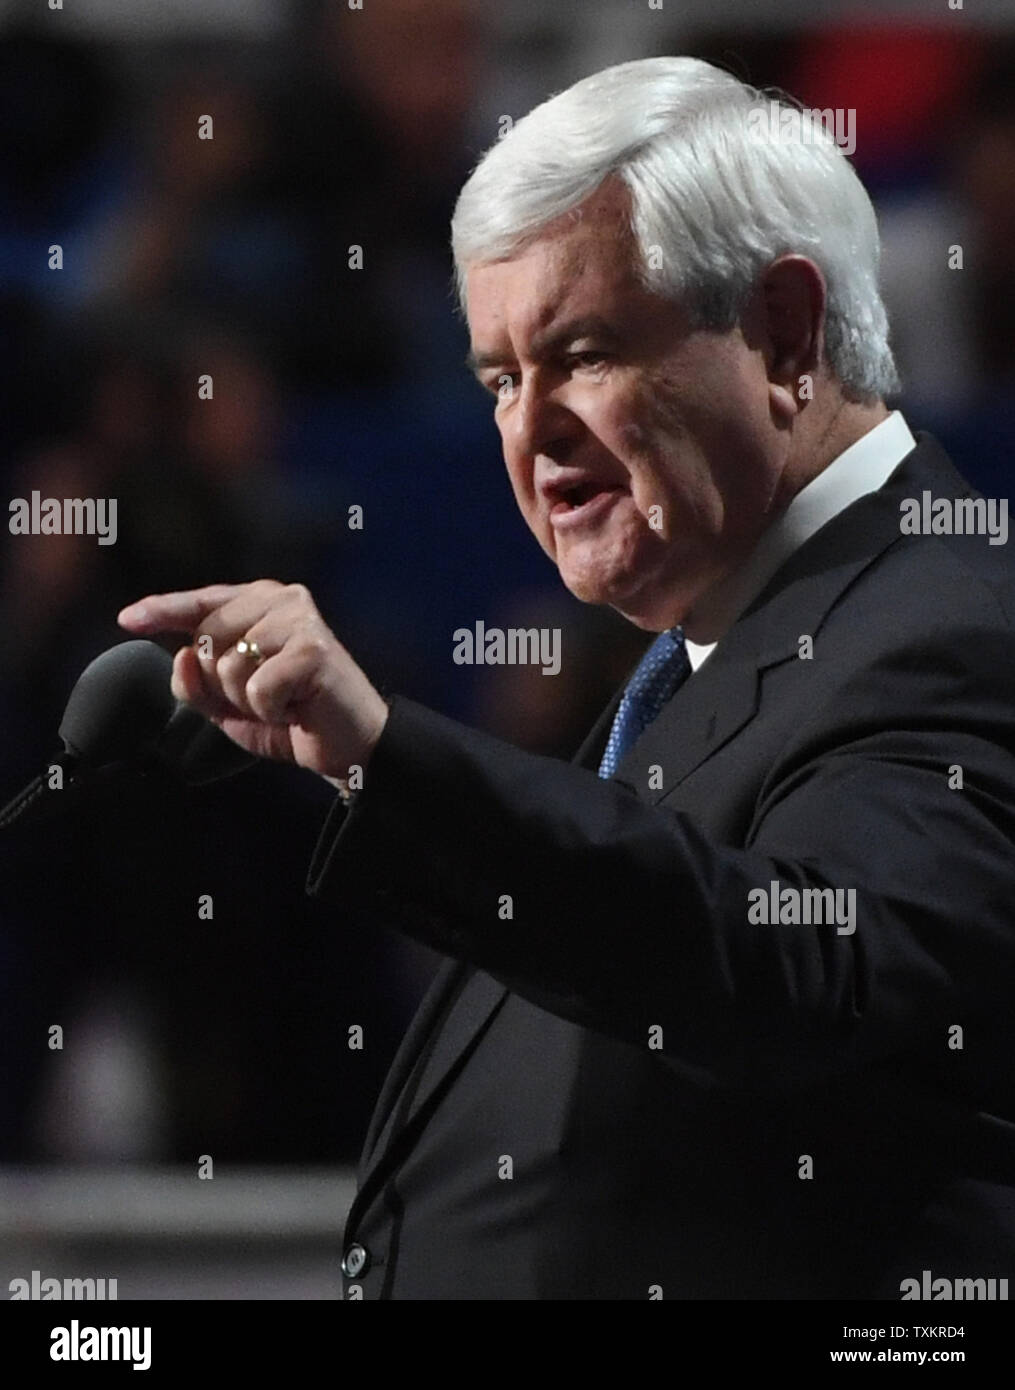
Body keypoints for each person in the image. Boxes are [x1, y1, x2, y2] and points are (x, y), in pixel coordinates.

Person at [118, 57, 1015, 1300]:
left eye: (582, 353)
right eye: (498, 379)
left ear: (787, 334)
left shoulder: (954, 623)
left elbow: (798, 970)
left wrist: (387, 757)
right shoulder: (714, 652)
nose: (529, 435)